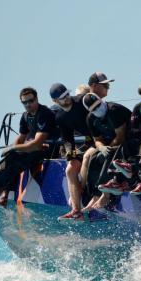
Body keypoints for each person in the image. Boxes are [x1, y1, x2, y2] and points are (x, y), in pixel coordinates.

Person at [0, 87, 58, 207]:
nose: (28, 104)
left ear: (37, 99)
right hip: (34, 149)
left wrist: (14, 148)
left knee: (17, 155)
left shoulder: (44, 114)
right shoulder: (25, 116)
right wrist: (12, 148)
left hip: (48, 150)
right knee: (12, 155)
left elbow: (37, 143)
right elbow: (20, 139)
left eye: (31, 101)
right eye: (25, 102)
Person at [80, 88, 133, 210]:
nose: (98, 109)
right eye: (93, 109)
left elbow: (120, 136)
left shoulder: (114, 110)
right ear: (89, 111)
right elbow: (97, 140)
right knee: (94, 158)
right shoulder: (90, 118)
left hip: (129, 141)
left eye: (98, 105)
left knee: (108, 155)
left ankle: (105, 195)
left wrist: (107, 149)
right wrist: (102, 148)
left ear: (101, 100)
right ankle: (93, 195)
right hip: (111, 144)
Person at [49, 82, 93, 221]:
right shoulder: (60, 117)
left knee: (87, 156)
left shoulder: (82, 101)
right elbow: (68, 140)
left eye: (67, 94)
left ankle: (85, 192)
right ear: (55, 101)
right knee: (70, 169)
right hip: (90, 143)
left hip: (102, 139)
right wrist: (71, 158)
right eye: (62, 97)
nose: (67, 98)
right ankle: (76, 211)